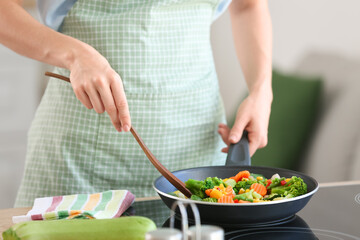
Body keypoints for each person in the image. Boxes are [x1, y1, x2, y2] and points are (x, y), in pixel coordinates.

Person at [0, 0, 273, 207]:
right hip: (79, 157)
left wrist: (261, 90)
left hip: (196, 155)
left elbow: (248, 5)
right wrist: (73, 54)